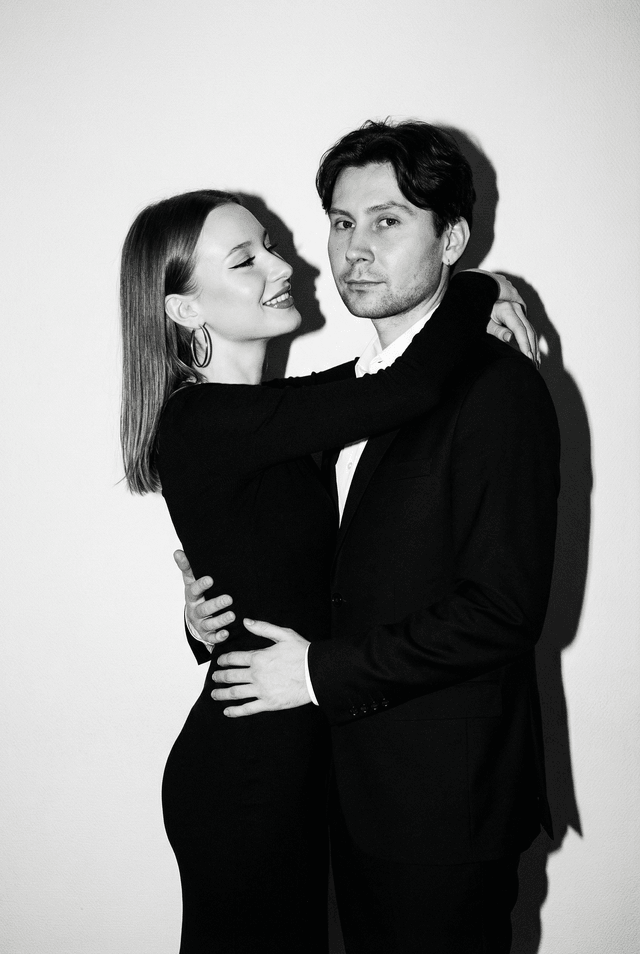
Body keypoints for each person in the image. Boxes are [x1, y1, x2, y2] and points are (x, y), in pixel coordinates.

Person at [120, 186, 534, 953]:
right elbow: (406, 387)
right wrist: (478, 287)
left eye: (271, 246)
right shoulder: (201, 421)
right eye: (246, 259)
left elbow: (382, 377)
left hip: (297, 760)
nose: (284, 266)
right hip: (248, 772)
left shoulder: (269, 417)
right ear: (184, 308)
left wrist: (206, 618)